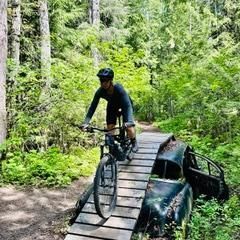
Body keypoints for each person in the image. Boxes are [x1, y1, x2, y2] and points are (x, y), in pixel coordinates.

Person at [81, 67, 138, 153]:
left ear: (110, 81)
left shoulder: (118, 88)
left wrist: (129, 121)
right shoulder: (100, 91)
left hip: (125, 105)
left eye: (105, 81)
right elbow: (92, 107)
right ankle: (112, 153)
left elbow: (128, 105)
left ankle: (134, 142)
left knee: (129, 128)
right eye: (101, 81)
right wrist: (86, 122)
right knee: (110, 129)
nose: (103, 83)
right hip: (112, 106)